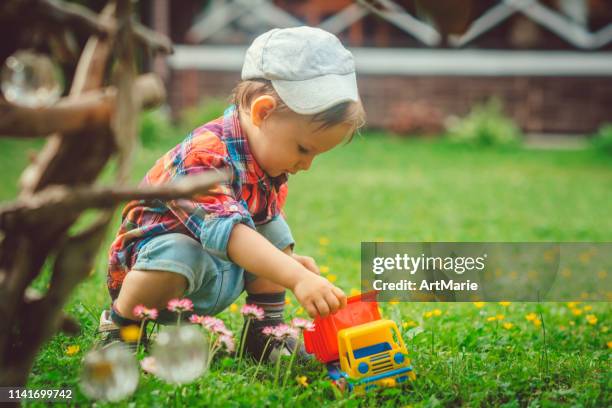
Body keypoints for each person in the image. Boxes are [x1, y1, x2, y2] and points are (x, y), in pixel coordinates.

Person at [98, 26, 366, 361]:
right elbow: (232, 236)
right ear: (262, 112)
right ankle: (120, 329)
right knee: (180, 250)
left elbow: (254, 238)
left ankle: (264, 336)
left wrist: (285, 261)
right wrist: (294, 277)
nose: (306, 165)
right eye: (303, 149)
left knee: (273, 228)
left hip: (214, 266)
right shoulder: (205, 156)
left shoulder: (266, 163)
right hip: (155, 274)